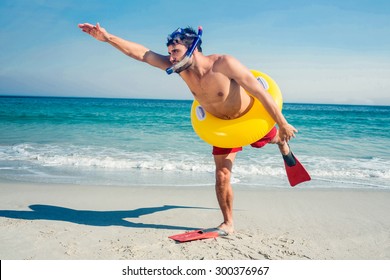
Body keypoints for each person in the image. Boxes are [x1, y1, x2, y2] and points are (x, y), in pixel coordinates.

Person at [78, 23, 298, 235]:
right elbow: (142, 54)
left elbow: (260, 92)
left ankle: (281, 142)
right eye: (170, 52)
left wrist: (283, 122)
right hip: (221, 128)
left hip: (248, 118)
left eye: (175, 51)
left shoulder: (224, 63)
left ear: (193, 47)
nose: (171, 57)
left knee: (264, 141)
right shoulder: (181, 69)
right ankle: (228, 223)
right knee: (222, 175)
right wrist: (107, 38)